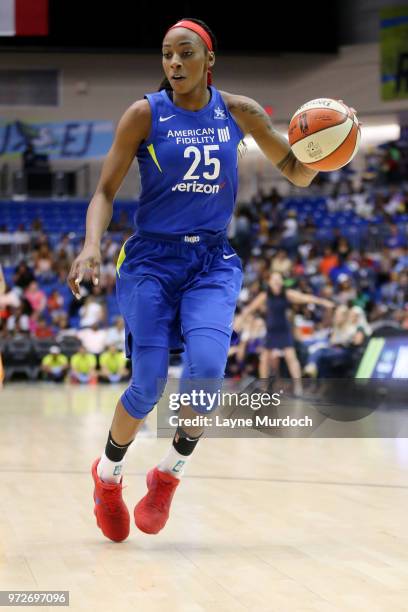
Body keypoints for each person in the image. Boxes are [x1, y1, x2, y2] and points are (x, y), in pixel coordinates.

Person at [67, 17, 322, 543]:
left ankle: (166, 477)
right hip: (150, 263)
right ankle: (109, 477)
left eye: (185, 53)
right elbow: (104, 192)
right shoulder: (144, 113)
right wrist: (91, 247)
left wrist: (327, 149)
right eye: (166, 55)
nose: (175, 63)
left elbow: (297, 171)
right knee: (148, 384)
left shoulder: (239, 111)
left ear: (210, 60)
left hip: (210, 262)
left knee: (205, 377)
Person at [240, 272, 333, 395]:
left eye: (279, 279)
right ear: (270, 282)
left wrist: (323, 302)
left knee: (291, 358)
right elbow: (250, 308)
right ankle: (264, 388)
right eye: (274, 279)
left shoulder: (287, 293)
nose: (277, 282)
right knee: (265, 359)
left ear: (282, 282)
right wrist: (241, 319)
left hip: (284, 330)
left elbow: (305, 298)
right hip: (271, 331)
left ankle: (298, 387)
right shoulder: (265, 295)